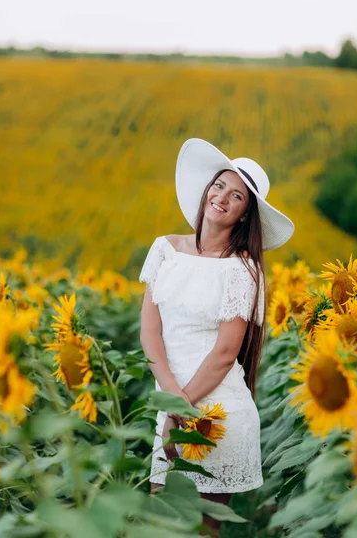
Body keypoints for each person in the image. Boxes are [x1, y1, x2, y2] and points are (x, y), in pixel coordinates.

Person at [139, 137, 294, 536]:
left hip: (216, 414)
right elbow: (150, 332)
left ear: (245, 215)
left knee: (204, 529)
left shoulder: (243, 270)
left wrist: (180, 409)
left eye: (237, 196)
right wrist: (172, 406)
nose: (223, 197)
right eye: (219, 185)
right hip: (176, 404)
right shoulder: (165, 249)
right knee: (161, 522)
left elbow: (226, 354)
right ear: (208, 189)